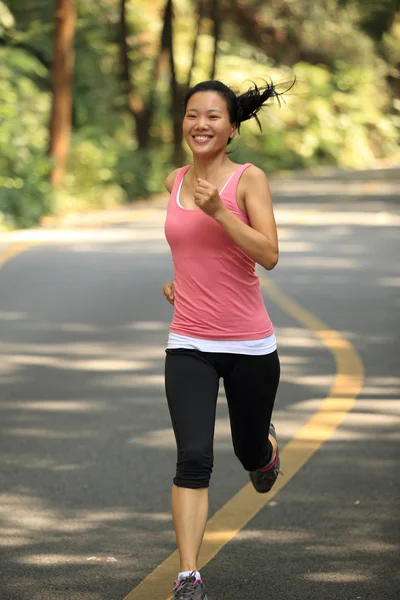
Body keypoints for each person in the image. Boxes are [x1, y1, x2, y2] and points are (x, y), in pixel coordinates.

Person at [162, 79, 287, 600]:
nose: (201, 125)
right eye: (193, 115)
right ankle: (189, 575)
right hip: (188, 340)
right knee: (193, 457)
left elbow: (269, 254)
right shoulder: (174, 179)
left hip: (249, 345)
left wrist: (219, 211)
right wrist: (179, 284)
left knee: (246, 447)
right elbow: (189, 250)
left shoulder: (248, 180)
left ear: (232, 127)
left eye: (213, 117)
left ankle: (264, 453)